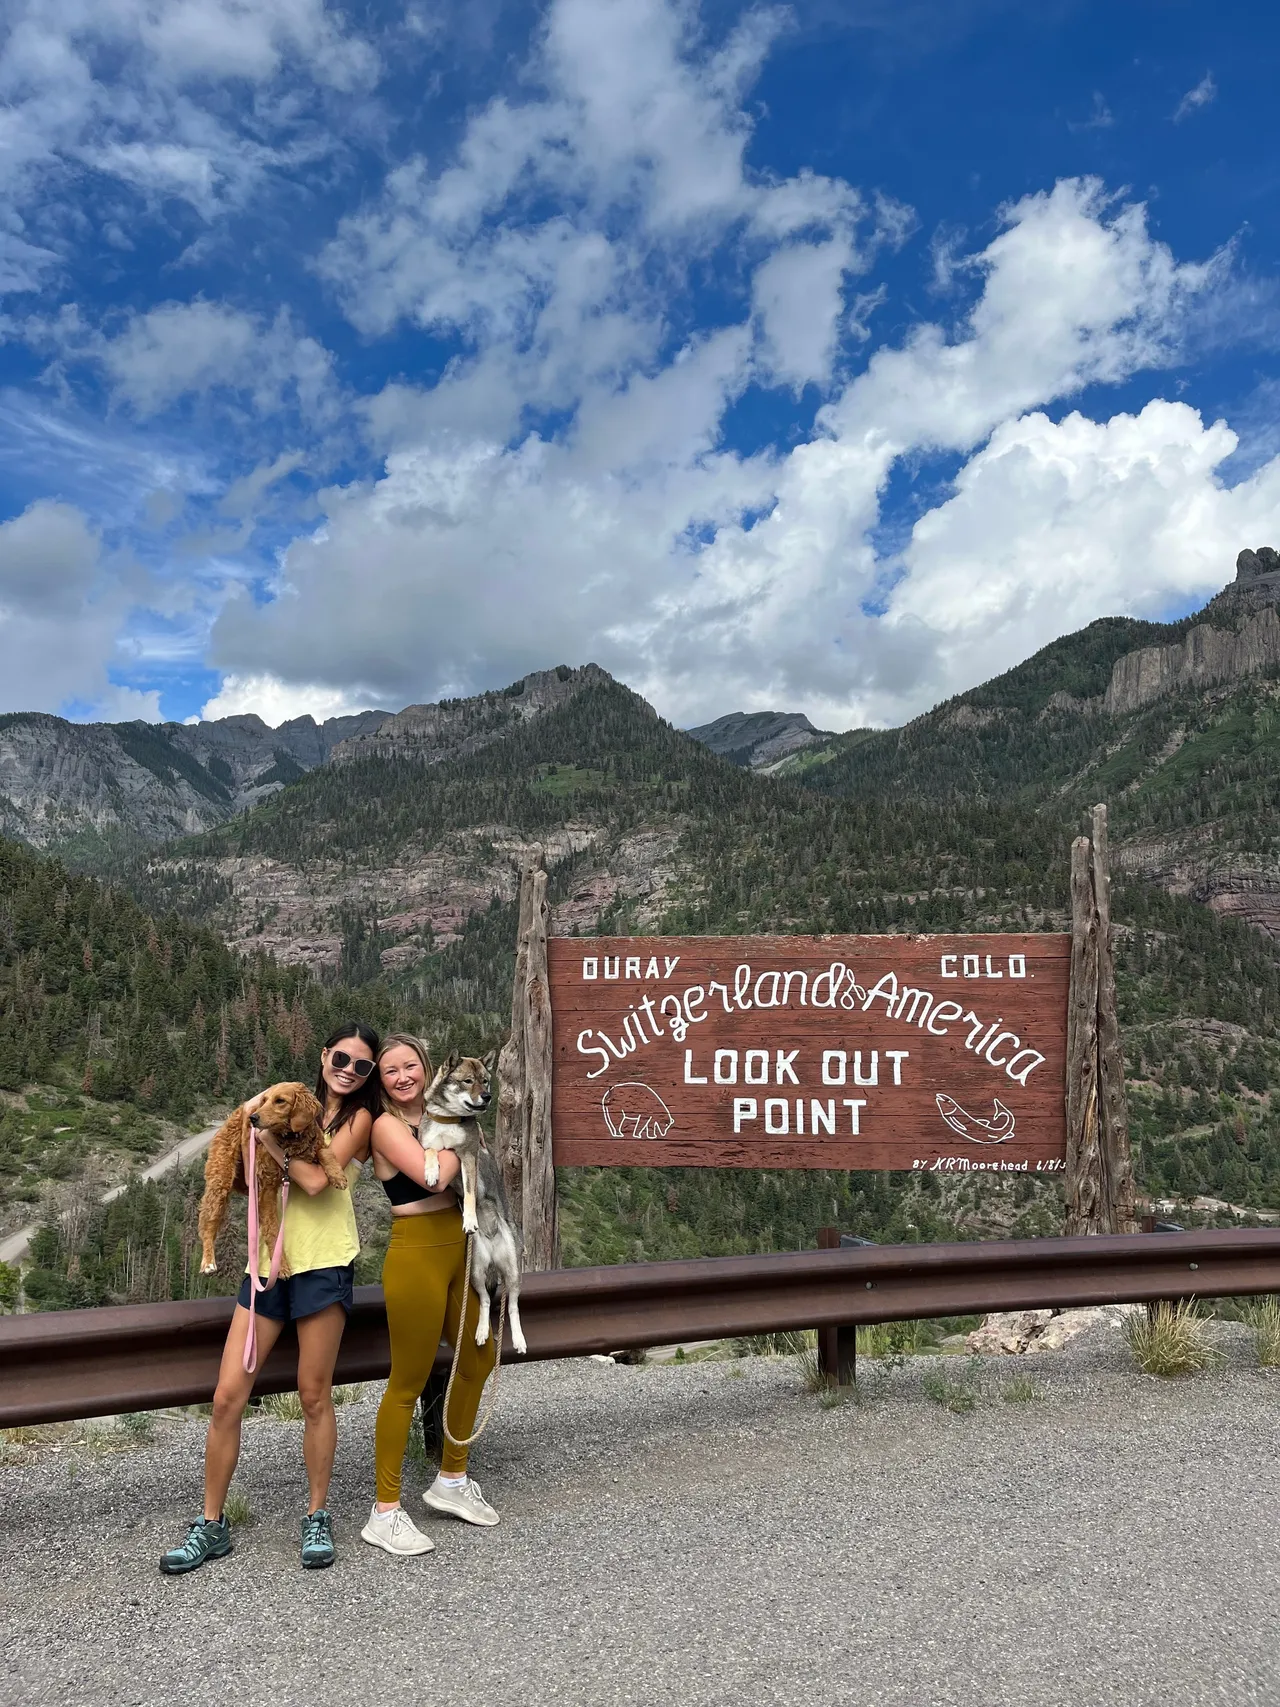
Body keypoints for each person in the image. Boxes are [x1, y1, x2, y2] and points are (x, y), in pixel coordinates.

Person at [159, 1023, 381, 1576]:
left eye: (362, 1065)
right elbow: (241, 1132)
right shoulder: (281, 1098)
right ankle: (211, 1523)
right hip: (267, 1265)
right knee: (227, 1396)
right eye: (342, 1058)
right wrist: (254, 1124)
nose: (349, 1070)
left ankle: (316, 1515)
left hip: (324, 1262)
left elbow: (311, 1181)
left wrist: (265, 1134)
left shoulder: (359, 1120)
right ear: (323, 1055)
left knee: (313, 1395)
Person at [361, 1032, 500, 1557]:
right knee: (408, 1380)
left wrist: (463, 1137)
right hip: (415, 1253)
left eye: (410, 1066)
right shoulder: (385, 1126)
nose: (402, 1076)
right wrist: (466, 1144)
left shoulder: (441, 1118)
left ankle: (452, 1480)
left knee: (480, 1356)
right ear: (381, 1080)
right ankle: (385, 1511)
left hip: (460, 1250)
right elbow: (433, 1174)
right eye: (390, 1069)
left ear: (428, 1069)